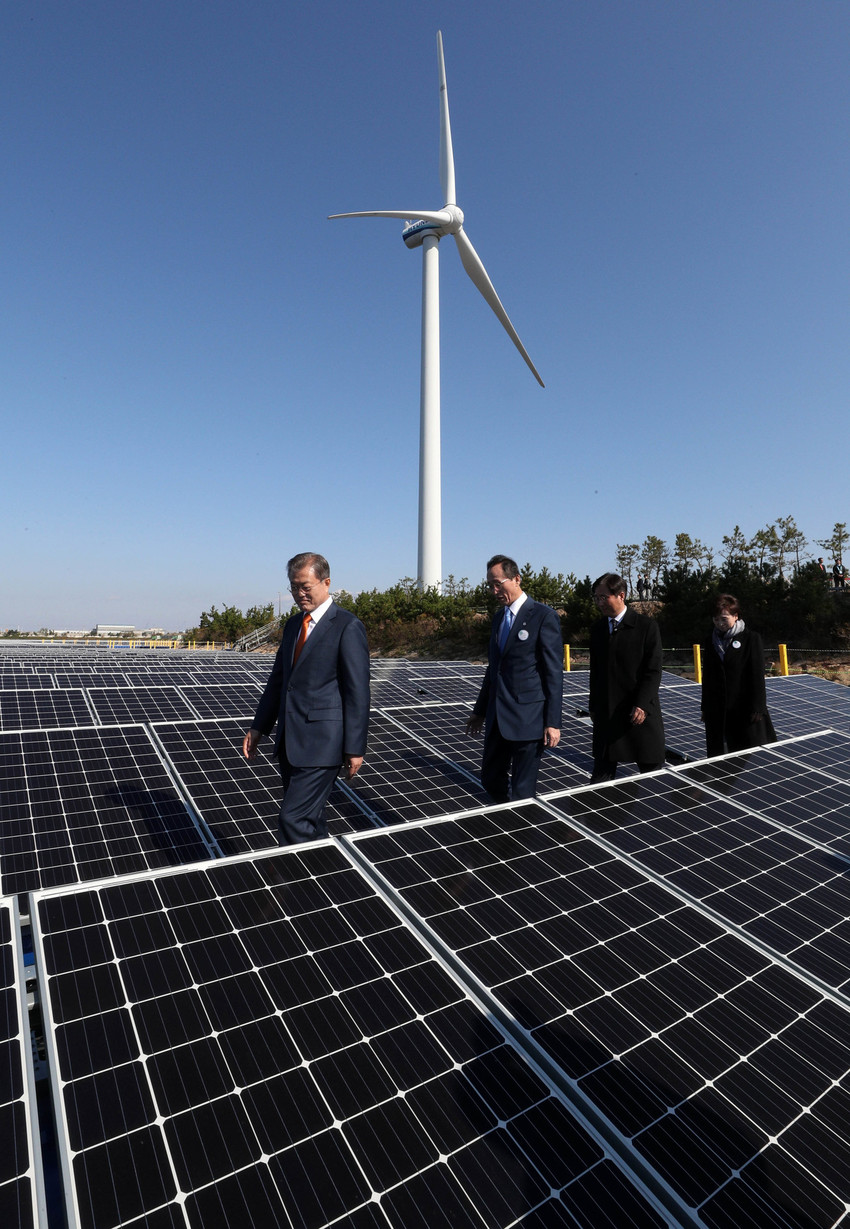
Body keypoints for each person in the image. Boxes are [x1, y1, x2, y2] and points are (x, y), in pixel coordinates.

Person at [243, 552, 370, 843]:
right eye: (293, 587)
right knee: (309, 821)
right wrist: (259, 727)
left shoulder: (347, 626)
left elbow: (358, 692)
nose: (299, 593)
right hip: (290, 741)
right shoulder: (292, 626)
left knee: (293, 818)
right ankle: (321, 877)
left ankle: (293, 883)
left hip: (323, 744)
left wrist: (355, 747)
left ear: (326, 583)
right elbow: (279, 682)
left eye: (305, 586)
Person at [466, 554, 563, 801]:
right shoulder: (499, 618)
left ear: (516, 579)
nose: (494, 590)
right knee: (489, 778)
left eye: (498, 583)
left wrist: (553, 722)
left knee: (522, 791)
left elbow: (553, 673)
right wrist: (479, 711)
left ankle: (520, 833)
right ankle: (504, 823)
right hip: (497, 716)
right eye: (490, 585)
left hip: (528, 719)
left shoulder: (543, 616)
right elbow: (493, 670)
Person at [588, 572, 665, 782]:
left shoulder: (646, 627)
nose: (599, 602)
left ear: (621, 595)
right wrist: (593, 706)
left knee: (653, 781)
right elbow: (595, 673)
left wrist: (642, 704)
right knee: (599, 785)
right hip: (607, 715)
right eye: (596, 598)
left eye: (604, 597)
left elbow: (653, 671)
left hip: (638, 714)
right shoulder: (598, 630)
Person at [701, 593, 776, 757]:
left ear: (736, 616)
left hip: (745, 708)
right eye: (716, 619)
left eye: (724, 618)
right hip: (718, 709)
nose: (719, 623)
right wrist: (705, 708)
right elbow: (708, 677)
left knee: (750, 754)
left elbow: (756, 673)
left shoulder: (751, 638)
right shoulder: (710, 641)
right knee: (721, 756)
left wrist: (758, 706)